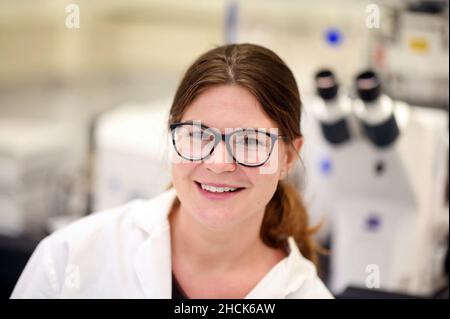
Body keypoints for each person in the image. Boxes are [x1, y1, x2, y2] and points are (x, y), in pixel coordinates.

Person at [11, 43, 333, 299]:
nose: (219, 163)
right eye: (197, 135)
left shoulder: (307, 294)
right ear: (171, 135)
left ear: (289, 157)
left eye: (249, 141)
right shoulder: (72, 257)